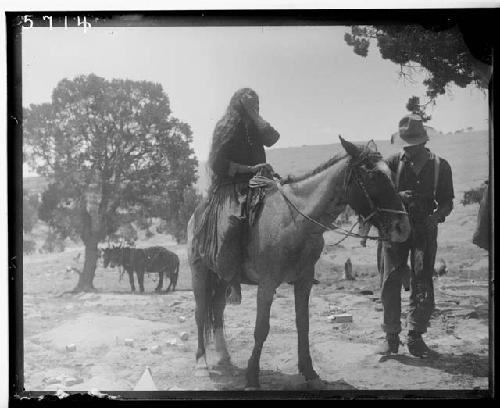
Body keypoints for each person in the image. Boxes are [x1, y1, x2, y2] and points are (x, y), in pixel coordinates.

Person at [378, 114, 454, 357]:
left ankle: (415, 337)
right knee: (390, 280)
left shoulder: (441, 166)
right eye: (406, 144)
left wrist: (435, 217)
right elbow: (380, 198)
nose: (409, 149)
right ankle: (391, 338)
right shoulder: (391, 163)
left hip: (425, 231)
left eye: (414, 144)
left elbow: (447, 202)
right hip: (395, 230)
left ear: (424, 141)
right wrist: (400, 198)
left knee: (423, 281)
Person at [195, 88, 280, 304]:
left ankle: (286, 268)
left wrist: (255, 116)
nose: (255, 108)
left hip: (259, 181)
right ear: (239, 105)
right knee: (233, 222)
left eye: (257, 106)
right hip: (232, 184)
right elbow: (217, 163)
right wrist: (249, 168)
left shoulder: (255, 126)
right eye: (251, 105)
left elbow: (273, 138)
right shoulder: (225, 126)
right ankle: (232, 280)